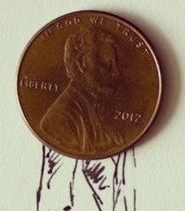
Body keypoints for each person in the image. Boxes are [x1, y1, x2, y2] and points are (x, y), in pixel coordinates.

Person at [39, 26, 125, 155]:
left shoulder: (99, 110)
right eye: (107, 64)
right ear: (81, 63)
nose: (116, 72)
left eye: (115, 64)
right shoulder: (58, 120)